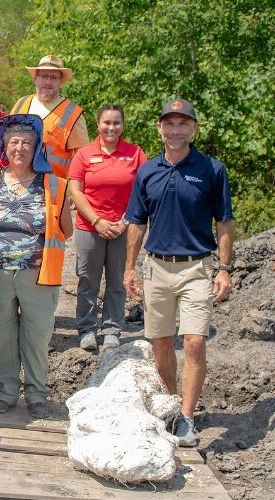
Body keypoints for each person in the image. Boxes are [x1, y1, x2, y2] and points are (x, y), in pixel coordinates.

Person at [123, 98, 233, 447]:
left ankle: (187, 418)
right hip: (156, 268)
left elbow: (225, 222)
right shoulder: (147, 171)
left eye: (182, 124)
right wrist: (129, 268)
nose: (175, 130)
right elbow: (137, 223)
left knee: (196, 342)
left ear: (193, 128)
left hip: (197, 268)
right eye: (169, 124)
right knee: (160, 343)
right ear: (160, 128)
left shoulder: (212, 170)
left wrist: (225, 268)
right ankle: (170, 407)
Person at [0, 114, 73, 419]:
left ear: (36, 148)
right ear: (4, 147)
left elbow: (66, 230)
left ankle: (36, 394)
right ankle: (6, 391)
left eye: (26, 143)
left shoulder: (55, 185)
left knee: (37, 336)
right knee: (1, 335)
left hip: (39, 275)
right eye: (13, 142)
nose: (19, 148)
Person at [69, 104, 147, 351]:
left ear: (123, 125)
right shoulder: (84, 154)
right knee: (87, 280)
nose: (111, 128)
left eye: (116, 123)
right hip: (89, 226)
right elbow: (75, 191)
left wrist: (125, 221)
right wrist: (97, 221)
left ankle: (112, 329)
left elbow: (142, 191)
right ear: (98, 124)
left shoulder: (135, 153)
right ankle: (87, 329)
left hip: (123, 228)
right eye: (107, 123)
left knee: (117, 281)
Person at [10, 55, 89, 179]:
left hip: (54, 187)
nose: (48, 82)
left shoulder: (73, 113)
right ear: (35, 79)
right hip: (18, 183)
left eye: (53, 78)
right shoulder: (20, 104)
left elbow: (83, 159)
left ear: (60, 82)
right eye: (44, 76)